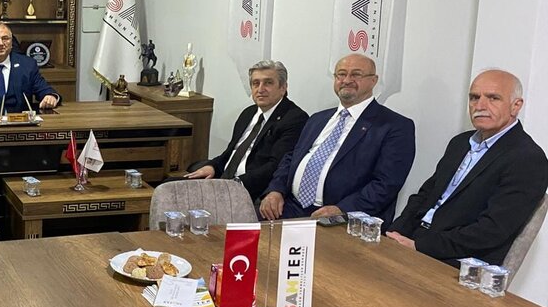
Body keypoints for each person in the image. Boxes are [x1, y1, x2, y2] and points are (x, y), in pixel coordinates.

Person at [387, 70, 548, 265]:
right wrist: (395, 232)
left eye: (493, 98)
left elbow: (491, 230)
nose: (480, 106)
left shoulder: (528, 158)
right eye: (474, 97)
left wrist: (419, 246)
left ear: (516, 106)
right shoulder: (460, 142)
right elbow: (426, 195)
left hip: (456, 261)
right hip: (415, 239)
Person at [259, 54, 415, 223]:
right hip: (290, 206)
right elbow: (292, 157)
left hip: (344, 217)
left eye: (356, 74)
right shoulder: (317, 119)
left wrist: (342, 210)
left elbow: (386, 183)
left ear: (373, 81)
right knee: (244, 229)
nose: (347, 80)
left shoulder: (395, 126)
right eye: (341, 74)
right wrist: (275, 190)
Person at [185, 60, 308, 201]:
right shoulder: (248, 113)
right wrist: (213, 166)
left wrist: (236, 184)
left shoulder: (295, 119)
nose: (260, 89)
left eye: (268, 83)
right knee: (170, 187)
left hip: (250, 189)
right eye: (256, 83)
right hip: (223, 179)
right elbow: (230, 153)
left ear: (283, 87)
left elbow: (276, 167)